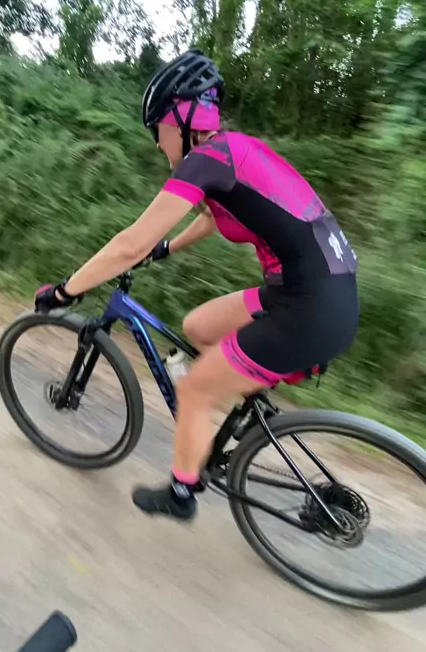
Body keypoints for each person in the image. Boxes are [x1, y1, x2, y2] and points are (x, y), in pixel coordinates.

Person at [35, 49, 359, 523]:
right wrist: (166, 248)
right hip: (319, 292)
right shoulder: (232, 151)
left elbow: (128, 246)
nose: (157, 142)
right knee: (199, 327)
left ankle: (181, 493)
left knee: (193, 391)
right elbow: (211, 217)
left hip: (309, 308)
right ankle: (243, 406)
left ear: (179, 120)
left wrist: (66, 291)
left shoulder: (205, 162)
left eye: (158, 129)